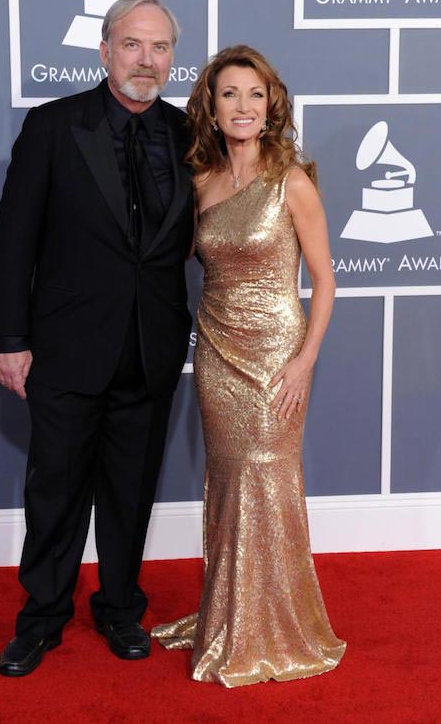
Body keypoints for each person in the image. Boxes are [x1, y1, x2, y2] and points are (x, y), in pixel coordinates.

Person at [0, 0, 193, 676]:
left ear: (172, 58)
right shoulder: (53, 127)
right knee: (56, 489)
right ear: (104, 51)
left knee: (131, 491)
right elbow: (14, 238)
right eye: (132, 45)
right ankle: (41, 618)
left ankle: (118, 608)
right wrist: (8, 337)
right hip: (65, 347)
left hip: (152, 346)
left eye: (159, 47)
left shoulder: (188, 133)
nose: (145, 60)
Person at [152, 45, 346, 687]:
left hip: (278, 354)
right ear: (211, 106)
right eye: (229, 94)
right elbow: (164, 260)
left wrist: (305, 362)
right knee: (230, 479)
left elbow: (324, 279)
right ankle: (229, 616)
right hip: (216, 352)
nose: (243, 106)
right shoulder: (199, 180)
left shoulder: (291, 180)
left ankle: (274, 627)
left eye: (255, 95)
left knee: (269, 475)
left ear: (271, 106)